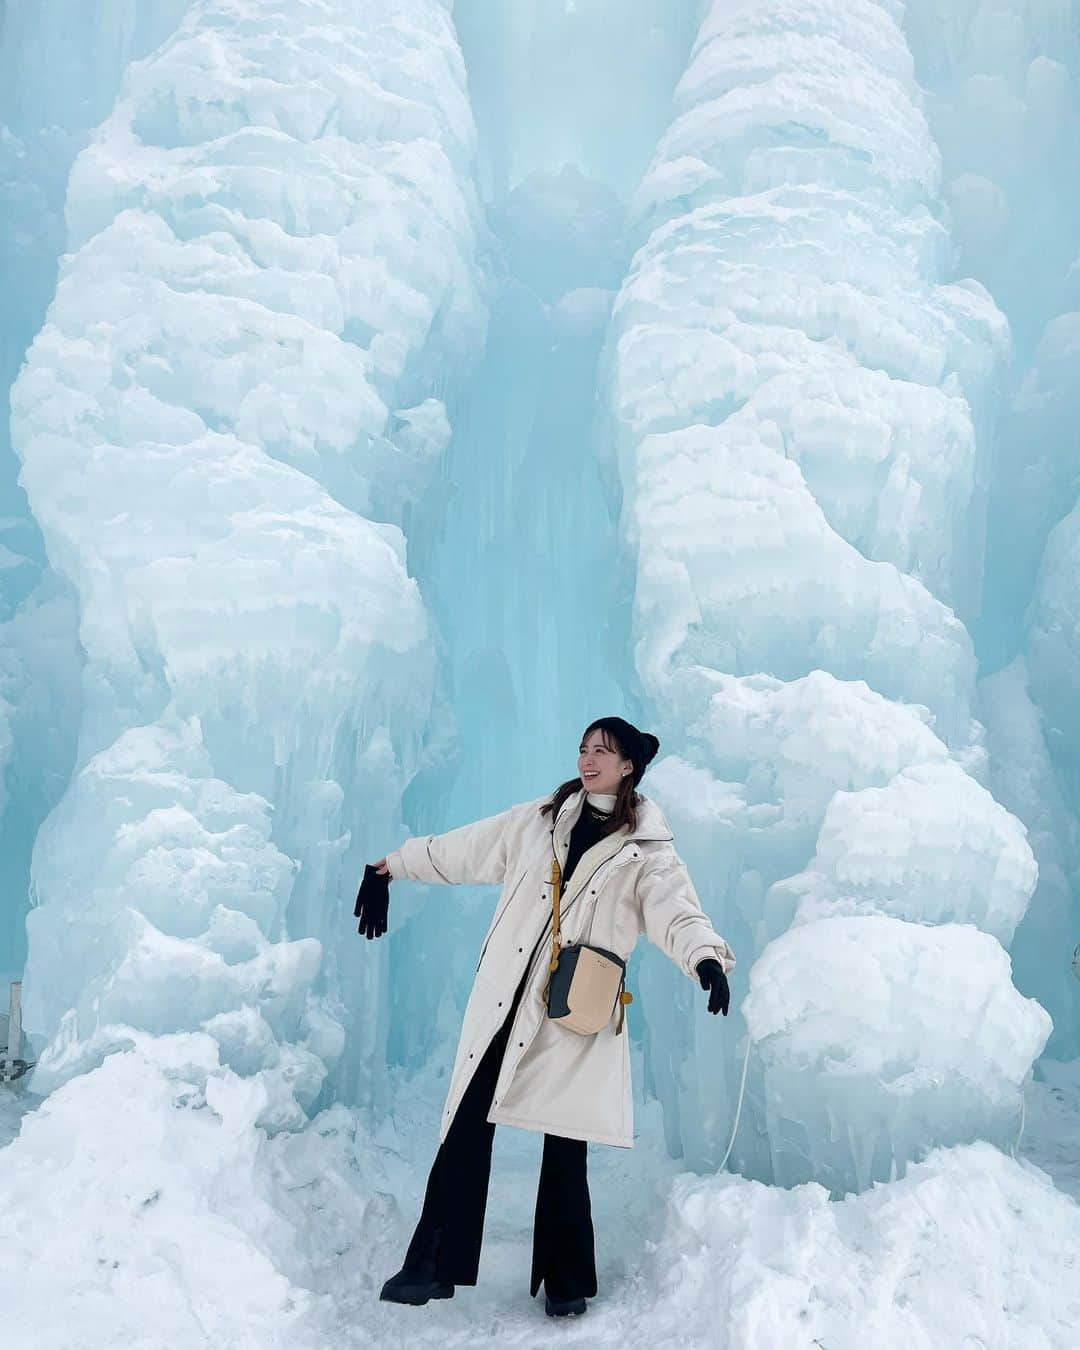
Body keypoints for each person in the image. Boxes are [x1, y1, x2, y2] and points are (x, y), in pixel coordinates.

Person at [356, 716, 736, 1317]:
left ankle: (565, 1282)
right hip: (511, 995)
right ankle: (429, 1265)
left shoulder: (647, 848)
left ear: (629, 766)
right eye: (584, 749)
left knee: (566, 1143)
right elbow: (465, 849)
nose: (589, 760)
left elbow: (675, 911)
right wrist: (391, 866)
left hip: (575, 1008)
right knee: (467, 1120)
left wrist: (706, 960)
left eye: (603, 753)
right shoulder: (540, 820)